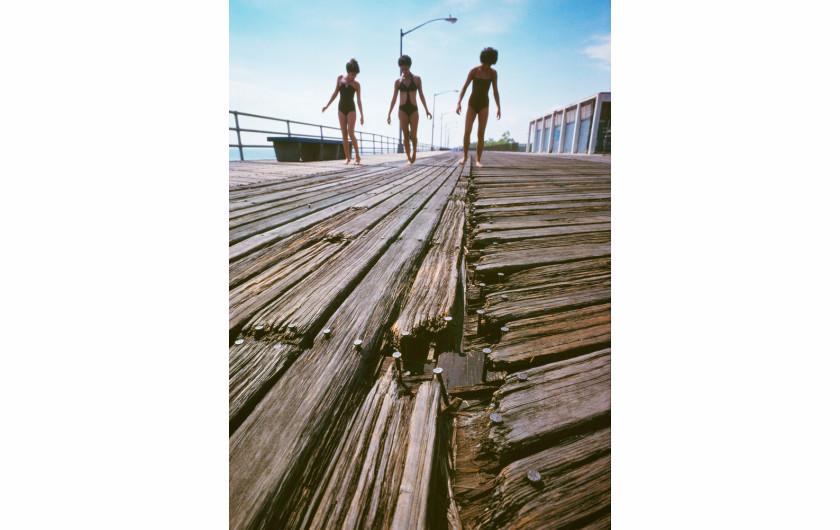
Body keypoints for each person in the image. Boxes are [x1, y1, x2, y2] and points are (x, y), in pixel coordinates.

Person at [456, 47, 500, 167]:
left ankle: (478, 160)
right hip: (472, 103)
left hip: (484, 104)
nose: (487, 66)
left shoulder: (493, 73)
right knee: (467, 131)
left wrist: (498, 107)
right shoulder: (474, 71)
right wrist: (459, 103)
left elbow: (495, 91)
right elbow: (464, 87)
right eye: (486, 63)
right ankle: (465, 156)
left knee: (481, 133)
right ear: (482, 60)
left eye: (490, 63)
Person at [387, 55, 432, 165]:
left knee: (414, 135)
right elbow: (394, 98)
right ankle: (408, 157)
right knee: (405, 135)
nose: (404, 71)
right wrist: (389, 113)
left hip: (413, 109)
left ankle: (414, 154)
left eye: (406, 69)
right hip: (402, 109)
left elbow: (421, 95)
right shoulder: (398, 81)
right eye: (402, 69)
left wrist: (427, 110)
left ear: (409, 67)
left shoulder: (416, 79)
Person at [322, 58, 364, 165]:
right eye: (352, 74)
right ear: (348, 72)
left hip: (351, 109)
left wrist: (362, 115)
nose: (353, 77)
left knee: (351, 132)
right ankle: (347, 158)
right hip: (341, 108)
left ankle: (357, 157)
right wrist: (327, 105)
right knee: (344, 134)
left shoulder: (356, 84)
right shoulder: (340, 79)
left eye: (355, 75)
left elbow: (359, 100)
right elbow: (335, 93)